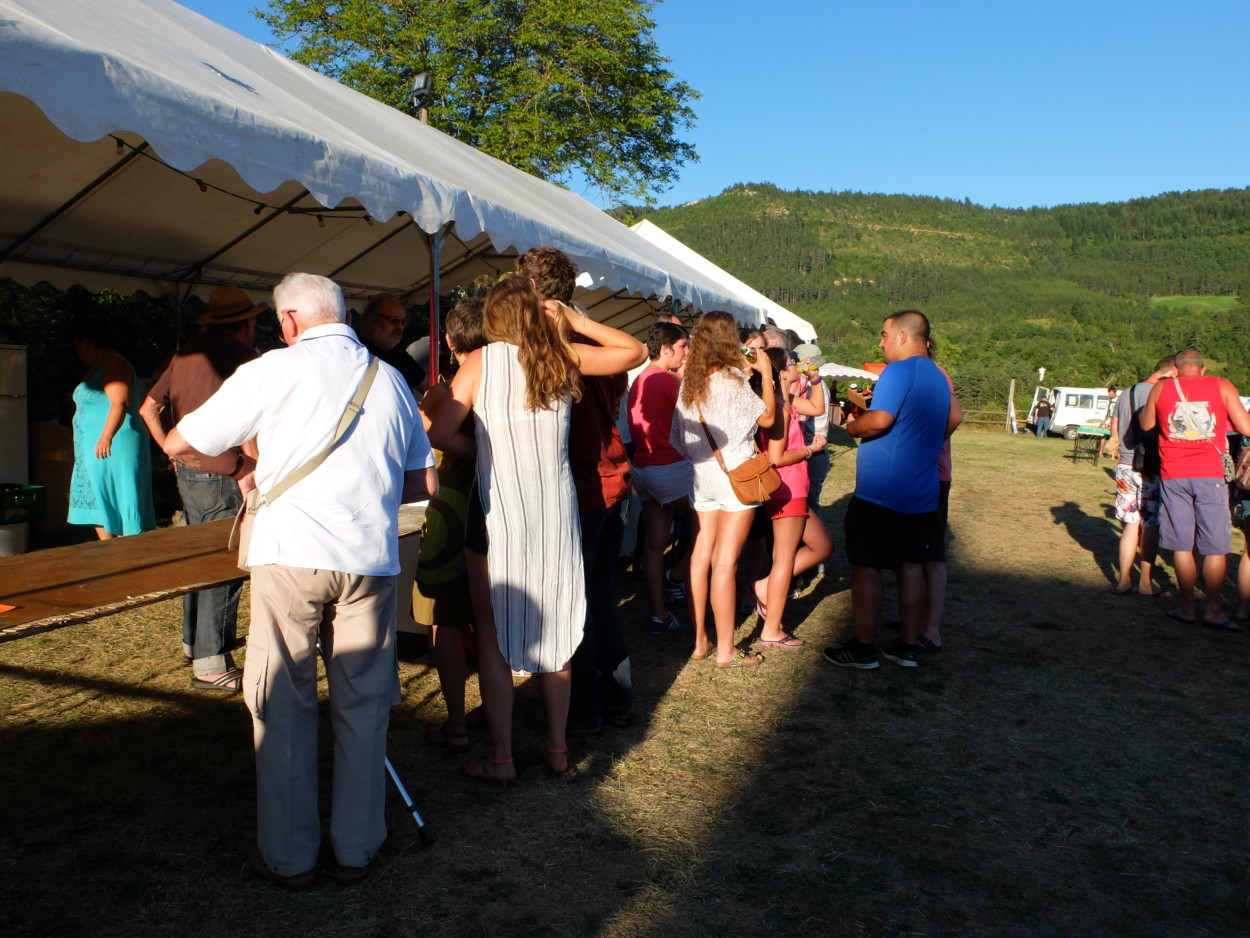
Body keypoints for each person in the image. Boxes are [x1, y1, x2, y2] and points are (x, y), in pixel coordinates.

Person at [163, 273, 437, 890]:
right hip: (370, 556)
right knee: (364, 707)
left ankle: (289, 858)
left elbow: (180, 442)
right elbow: (425, 484)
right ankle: (357, 849)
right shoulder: (391, 379)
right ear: (343, 315)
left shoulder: (271, 370)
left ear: (288, 323)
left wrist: (244, 467)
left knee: (281, 703)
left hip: (292, 554)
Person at [428, 273, 645, 781]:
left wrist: (479, 449)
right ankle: (557, 748)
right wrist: (574, 319)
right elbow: (634, 351)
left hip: (497, 511)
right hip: (556, 514)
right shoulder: (561, 356)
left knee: (491, 635)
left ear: (492, 319)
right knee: (560, 631)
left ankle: (502, 756)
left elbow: (438, 431)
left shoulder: (480, 363)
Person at [517, 246, 637, 734]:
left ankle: (585, 710)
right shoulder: (594, 341)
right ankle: (618, 698)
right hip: (612, 481)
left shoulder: (559, 347)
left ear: (530, 289)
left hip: (588, 487)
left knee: (577, 604)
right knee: (600, 598)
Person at [139, 285, 261, 692]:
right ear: (246, 323)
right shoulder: (244, 359)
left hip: (190, 467)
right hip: (229, 469)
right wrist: (251, 469)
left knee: (198, 555)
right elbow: (251, 422)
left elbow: (148, 408)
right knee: (223, 564)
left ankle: (194, 642)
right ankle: (211, 661)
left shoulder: (185, 354)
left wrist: (169, 451)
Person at [824, 310, 961, 669]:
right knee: (910, 566)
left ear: (902, 336)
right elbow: (953, 419)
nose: (880, 342)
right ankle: (907, 646)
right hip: (921, 492)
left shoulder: (898, 371)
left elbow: (881, 419)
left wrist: (854, 426)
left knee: (866, 568)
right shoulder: (936, 374)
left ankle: (864, 648)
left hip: (881, 493)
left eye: (884, 334)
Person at [671, 311, 776, 668]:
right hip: (735, 477)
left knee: (701, 557)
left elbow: (677, 439)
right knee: (726, 563)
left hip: (702, 477)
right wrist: (767, 378)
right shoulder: (733, 379)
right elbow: (768, 419)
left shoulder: (690, 383)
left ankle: (700, 640)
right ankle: (727, 649)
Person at [413, 296, 488, 754]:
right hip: (491, 508)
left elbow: (420, 443)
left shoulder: (442, 395)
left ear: (448, 341)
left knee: (444, 618)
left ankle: (458, 721)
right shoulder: (504, 385)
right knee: (490, 615)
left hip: (448, 513)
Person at [1139, 349, 1250, 630]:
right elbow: (1245, 427)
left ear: (1175, 369)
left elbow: (1147, 424)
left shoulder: (1162, 388)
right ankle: (1213, 610)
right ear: (1203, 368)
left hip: (1173, 473)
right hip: (1210, 473)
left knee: (1181, 544)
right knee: (1215, 545)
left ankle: (1187, 608)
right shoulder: (1221, 385)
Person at [751, 348, 833, 648]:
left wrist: (814, 380)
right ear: (782, 373)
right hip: (787, 489)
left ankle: (762, 587)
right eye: (790, 363)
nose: (797, 364)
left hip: (792, 489)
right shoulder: (781, 410)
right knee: (783, 560)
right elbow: (777, 456)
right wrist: (811, 449)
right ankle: (772, 629)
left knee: (823, 545)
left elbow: (817, 408)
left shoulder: (784, 403)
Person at [627, 320, 693, 632]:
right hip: (669, 467)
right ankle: (678, 577)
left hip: (644, 468)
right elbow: (699, 414)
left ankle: (660, 614)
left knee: (654, 544)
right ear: (665, 349)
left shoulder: (639, 379)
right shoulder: (666, 380)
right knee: (714, 527)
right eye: (682, 346)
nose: (686, 352)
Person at [67, 316, 156, 539]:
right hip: (96, 447)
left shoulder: (114, 363)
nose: (76, 349)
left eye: (77, 343)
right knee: (98, 498)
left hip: (114, 444)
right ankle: (110, 553)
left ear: (87, 341)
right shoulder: (98, 367)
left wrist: (106, 436)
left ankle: (130, 552)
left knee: (119, 496)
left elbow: (120, 401)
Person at [1109, 356, 1176, 597]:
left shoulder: (1126, 392)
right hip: (1151, 465)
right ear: (1170, 373)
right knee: (1150, 524)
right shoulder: (1162, 392)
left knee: (1130, 523)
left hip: (1126, 464)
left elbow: (1113, 429)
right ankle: (1146, 583)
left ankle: (1124, 580)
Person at [355, 293, 426, 392]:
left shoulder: (396, 352)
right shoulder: (356, 351)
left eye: (403, 322)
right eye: (394, 320)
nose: (400, 327)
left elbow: (428, 386)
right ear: (372, 321)